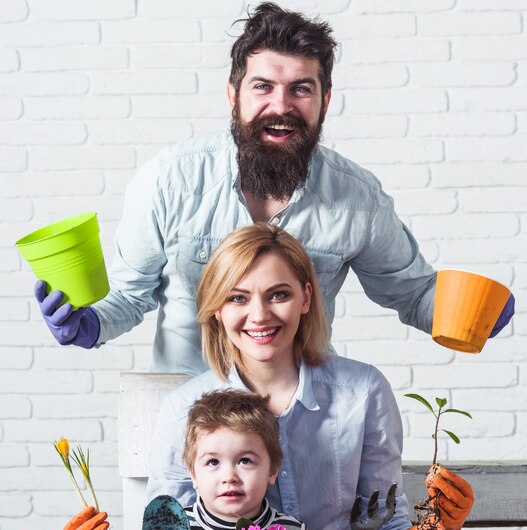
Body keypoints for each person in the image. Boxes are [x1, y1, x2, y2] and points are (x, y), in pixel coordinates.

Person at [32, 1, 516, 374]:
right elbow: (130, 295)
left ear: (325, 101)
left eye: (300, 89)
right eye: (262, 87)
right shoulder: (169, 180)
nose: (280, 105)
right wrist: (87, 324)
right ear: (233, 95)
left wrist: (472, 312)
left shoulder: (358, 199)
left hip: (302, 425)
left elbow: (411, 293)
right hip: (187, 422)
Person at [144, 223, 474, 530]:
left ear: (305, 298)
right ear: (216, 308)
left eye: (278, 294)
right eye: (237, 298)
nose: (259, 315)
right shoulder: (185, 409)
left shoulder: (363, 392)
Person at [137, 389, 383, 530]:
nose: (229, 476)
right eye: (213, 462)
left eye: (245, 461)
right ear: (193, 474)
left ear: (272, 470)